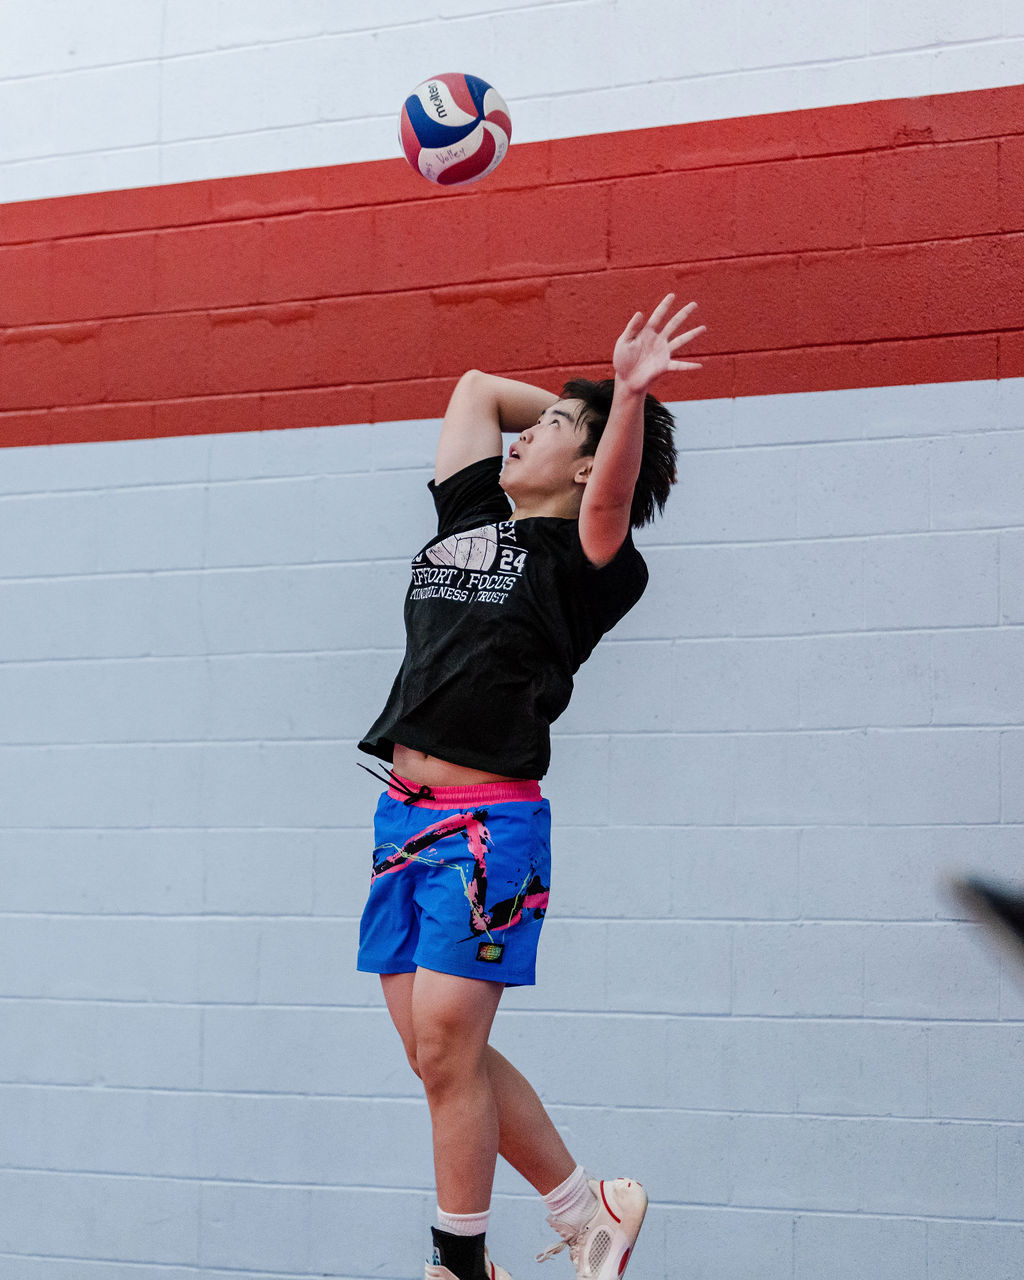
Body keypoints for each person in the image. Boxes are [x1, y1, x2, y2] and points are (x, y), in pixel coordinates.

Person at [356, 294, 705, 1280]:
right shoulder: (472, 516)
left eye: (554, 429)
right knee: (435, 1057)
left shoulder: (588, 563)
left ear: (594, 463)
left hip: (486, 833)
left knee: (447, 1047)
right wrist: (572, 404)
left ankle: (458, 1260)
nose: (530, 429)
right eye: (539, 419)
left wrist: (620, 401)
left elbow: (605, 497)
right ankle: (584, 1205)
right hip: (401, 823)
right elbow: (474, 391)